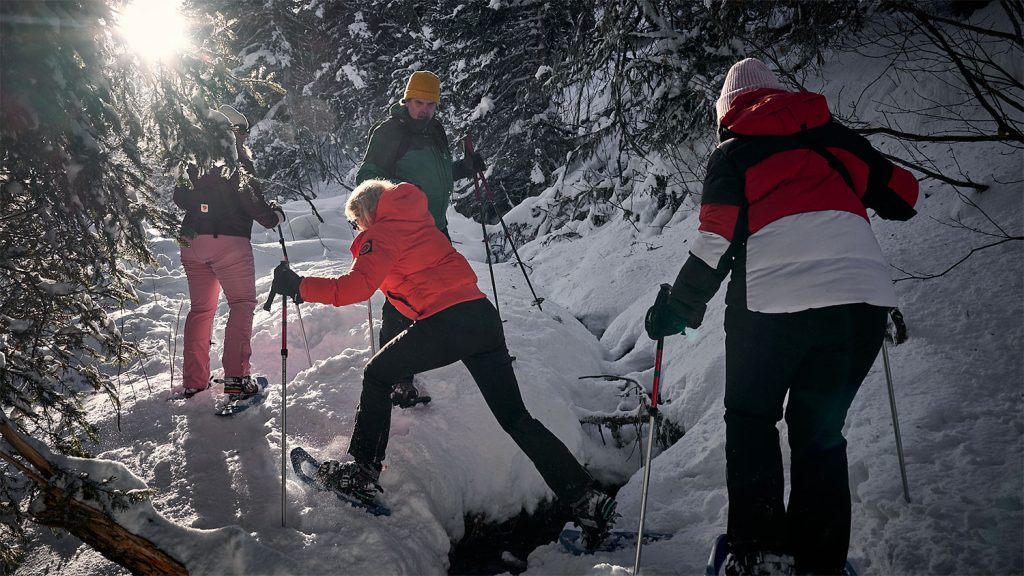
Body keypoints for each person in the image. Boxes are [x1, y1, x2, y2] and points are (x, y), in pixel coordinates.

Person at [645, 58, 918, 575]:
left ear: (727, 111)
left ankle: (762, 553)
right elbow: (904, 196)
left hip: (772, 306)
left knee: (751, 420)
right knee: (819, 431)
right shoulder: (834, 140)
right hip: (859, 307)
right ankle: (819, 560)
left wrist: (676, 310)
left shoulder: (734, 153)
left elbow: (714, 243)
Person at [270, 179, 616, 548]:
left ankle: (363, 471)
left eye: (357, 222)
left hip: (446, 323)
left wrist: (298, 285)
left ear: (367, 213)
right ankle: (586, 500)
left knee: (377, 374)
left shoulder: (382, 234)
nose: (358, 229)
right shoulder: (421, 225)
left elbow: (353, 288)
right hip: (482, 319)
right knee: (516, 419)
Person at [355, 70, 484, 408]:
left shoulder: (435, 131)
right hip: (404, 231)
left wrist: (464, 168)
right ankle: (398, 379)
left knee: (444, 292)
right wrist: (402, 199)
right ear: (406, 100)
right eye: (418, 103)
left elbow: (436, 175)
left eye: (430, 104)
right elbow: (366, 177)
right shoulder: (390, 133)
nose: (424, 110)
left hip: (434, 227)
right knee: (400, 301)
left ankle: (454, 350)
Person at [173, 105, 285, 398]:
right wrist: (274, 217)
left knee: (201, 310)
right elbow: (253, 202)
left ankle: (194, 381)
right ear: (233, 131)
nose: (246, 138)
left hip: (192, 242)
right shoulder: (236, 162)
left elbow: (180, 197)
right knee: (241, 303)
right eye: (243, 131)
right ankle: (236, 380)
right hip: (230, 244)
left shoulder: (194, 159)